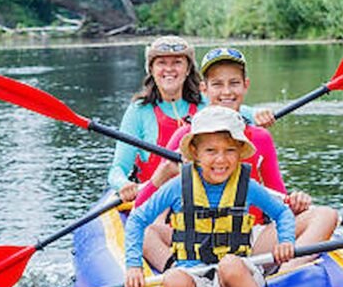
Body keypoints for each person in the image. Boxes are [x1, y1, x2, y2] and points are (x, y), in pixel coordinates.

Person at [134, 46, 339, 272]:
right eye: (217, 84)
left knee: (326, 215)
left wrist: (295, 201)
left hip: (249, 242)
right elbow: (139, 211)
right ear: (204, 89)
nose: (226, 92)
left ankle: (286, 274)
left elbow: (279, 199)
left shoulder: (260, 138)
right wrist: (161, 175)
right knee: (144, 231)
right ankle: (181, 274)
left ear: (245, 86)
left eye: (234, 83)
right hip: (193, 239)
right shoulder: (186, 137)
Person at [124, 106, 296, 287]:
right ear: (195, 152)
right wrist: (133, 267)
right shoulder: (178, 186)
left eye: (230, 150)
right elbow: (137, 220)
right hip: (195, 279)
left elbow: (283, 212)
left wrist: (286, 241)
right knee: (172, 279)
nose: (221, 159)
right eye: (211, 151)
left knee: (229, 265)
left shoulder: (247, 185)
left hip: (237, 277)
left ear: (240, 152)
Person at [108, 37, 275, 204]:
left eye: (177, 62)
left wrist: (258, 114)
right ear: (151, 69)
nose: (169, 69)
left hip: (200, 200)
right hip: (155, 197)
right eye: (162, 63)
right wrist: (125, 185)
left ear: (188, 68)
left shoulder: (207, 102)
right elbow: (118, 169)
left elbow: (237, 110)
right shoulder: (139, 111)